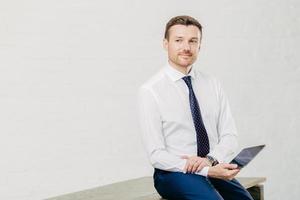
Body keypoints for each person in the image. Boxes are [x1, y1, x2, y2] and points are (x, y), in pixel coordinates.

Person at [137, 15, 254, 200]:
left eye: (193, 41)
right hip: (174, 173)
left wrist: (210, 161)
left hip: (212, 165)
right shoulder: (151, 91)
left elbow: (229, 135)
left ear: (200, 45)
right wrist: (204, 169)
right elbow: (156, 154)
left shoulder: (212, 84)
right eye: (178, 40)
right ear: (165, 44)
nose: (186, 47)